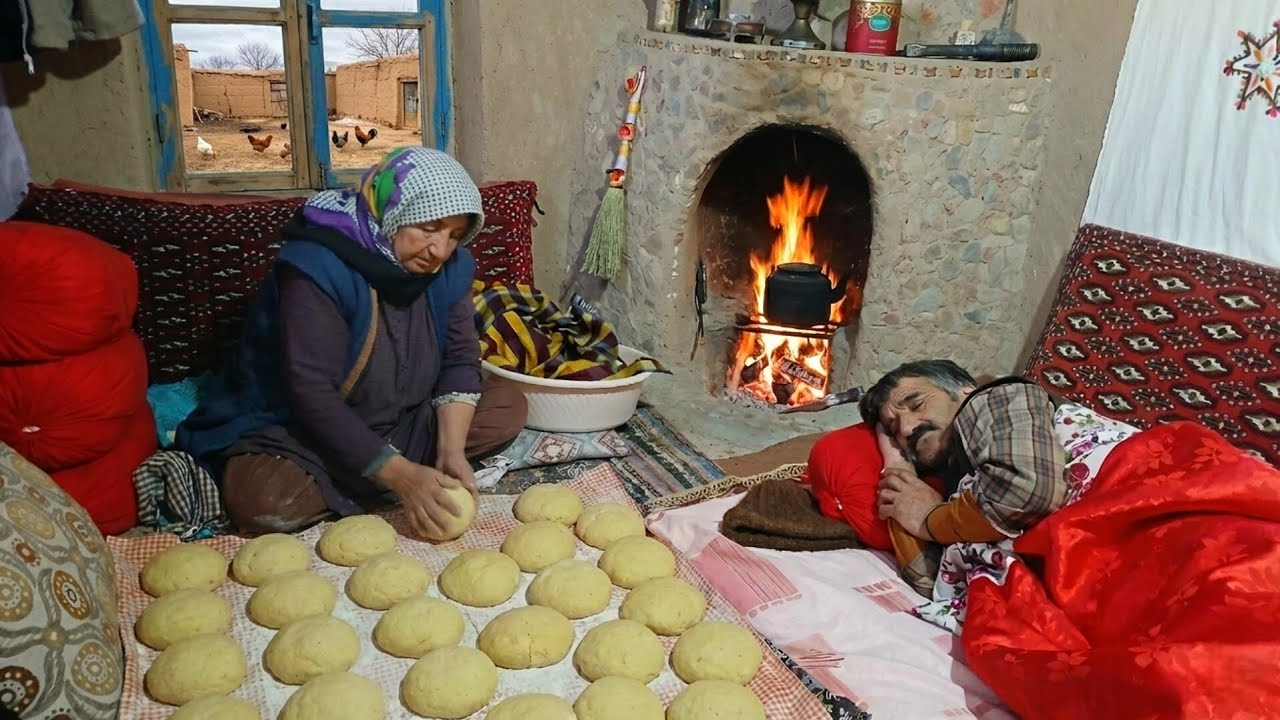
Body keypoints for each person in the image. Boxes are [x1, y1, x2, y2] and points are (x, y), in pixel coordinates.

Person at [177, 147, 527, 539]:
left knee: (508, 406)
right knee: (264, 502)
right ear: (395, 210)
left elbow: (460, 358)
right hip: (305, 431)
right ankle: (384, 471)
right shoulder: (319, 267)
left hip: (402, 421)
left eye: (455, 236)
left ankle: (388, 468)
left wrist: (451, 451)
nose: (440, 250)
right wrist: (401, 476)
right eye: (429, 228)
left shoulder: (450, 267)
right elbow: (310, 392)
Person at [857, 359, 1072, 546]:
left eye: (917, 404)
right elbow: (927, 574)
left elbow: (1026, 491)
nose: (906, 428)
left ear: (965, 389)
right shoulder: (950, 479)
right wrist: (898, 465)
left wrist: (930, 518)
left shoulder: (994, 397)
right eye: (894, 429)